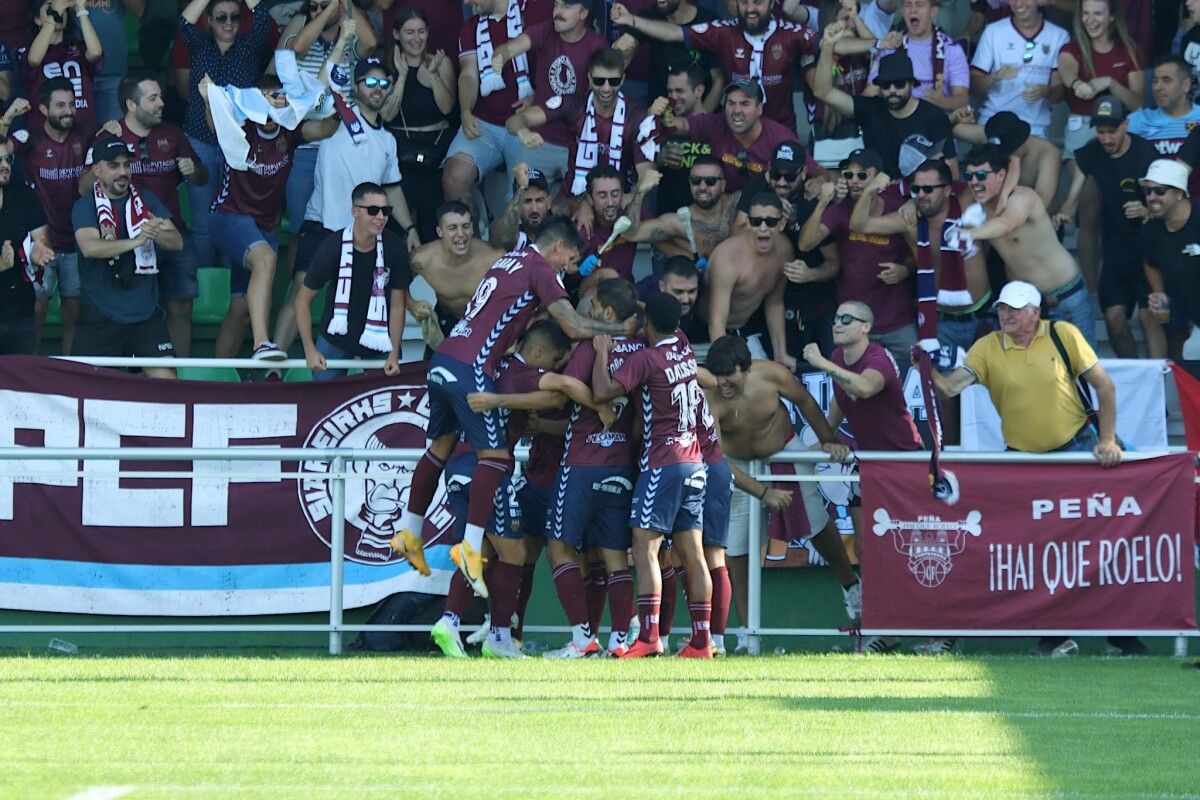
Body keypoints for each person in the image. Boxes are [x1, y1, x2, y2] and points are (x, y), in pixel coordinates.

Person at [394, 216, 636, 600]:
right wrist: (624, 331)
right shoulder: (541, 269)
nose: (569, 269)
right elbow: (573, 327)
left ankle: (410, 532)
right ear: (557, 247)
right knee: (495, 455)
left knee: (438, 449)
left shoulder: (509, 260)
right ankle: (471, 546)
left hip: (443, 359)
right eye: (570, 260)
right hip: (471, 366)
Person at [931, 280, 1143, 658]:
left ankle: (1122, 635)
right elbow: (950, 389)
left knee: (1097, 547)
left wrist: (1107, 440)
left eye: (1014, 308)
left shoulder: (1064, 333)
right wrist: (925, 366)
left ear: (1035, 312)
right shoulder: (987, 346)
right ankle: (1054, 635)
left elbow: (1105, 388)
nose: (1006, 315)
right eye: (1001, 309)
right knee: (1036, 551)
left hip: (1077, 454)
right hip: (1023, 462)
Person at [476, 278, 643, 658]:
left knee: (560, 549)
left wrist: (508, 403)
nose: (588, 315)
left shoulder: (590, 347)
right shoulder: (641, 349)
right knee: (613, 554)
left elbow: (565, 386)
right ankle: (619, 639)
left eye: (593, 307)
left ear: (608, 313)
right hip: (619, 461)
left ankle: (583, 639)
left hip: (581, 463)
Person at [702, 334, 859, 647]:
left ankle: (851, 587)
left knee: (816, 523)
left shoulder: (772, 374)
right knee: (738, 548)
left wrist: (828, 439)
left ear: (747, 370)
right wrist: (762, 492)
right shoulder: (710, 396)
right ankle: (748, 630)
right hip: (738, 464)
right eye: (718, 376)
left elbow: (805, 402)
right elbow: (716, 460)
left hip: (784, 450)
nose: (724, 384)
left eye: (730, 375)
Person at [589, 291, 713, 658]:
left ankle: (648, 637)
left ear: (647, 325)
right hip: (695, 461)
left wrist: (600, 353)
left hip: (663, 461)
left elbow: (601, 392)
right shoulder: (685, 348)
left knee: (646, 548)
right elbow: (660, 319)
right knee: (693, 553)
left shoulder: (647, 359)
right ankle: (702, 642)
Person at [273, 56, 420, 360]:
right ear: (356, 86)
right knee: (300, 292)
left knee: (366, 303)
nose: (377, 89)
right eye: (370, 82)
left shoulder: (387, 140)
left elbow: (392, 189)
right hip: (323, 225)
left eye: (383, 83)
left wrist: (410, 228)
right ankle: (271, 368)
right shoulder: (337, 118)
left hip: (363, 236)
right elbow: (320, 88)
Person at [803, 300, 922, 653]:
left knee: (907, 547)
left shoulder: (877, 359)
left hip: (901, 462)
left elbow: (864, 388)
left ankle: (933, 625)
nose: (837, 323)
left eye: (847, 319)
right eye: (836, 318)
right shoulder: (840, 359)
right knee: (868, 546)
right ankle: (883, 624)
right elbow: (841, 401)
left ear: (866, 328)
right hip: (867, 463)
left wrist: (821, 363)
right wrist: (826, 440)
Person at [200, 73, 338, 362]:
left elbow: (325, 129)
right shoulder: (240, 125)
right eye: (267, 97)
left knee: (240, 310)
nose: (274, 103)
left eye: (279, 97)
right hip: (229, 215)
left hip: (265, 224)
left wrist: (331, 103)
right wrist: (208, 98)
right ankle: (262, 344)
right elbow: (215, 123)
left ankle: (218, 377)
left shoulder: (290, 131)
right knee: (266, 260)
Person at [102, 73, 208, 358]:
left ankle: (181, 372)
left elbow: (202, 178)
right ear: (131, 105)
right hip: (130, 240)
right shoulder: (111, 136)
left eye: (160, 96)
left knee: (181, 306)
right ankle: (135, 379)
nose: (162, 103)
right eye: (153, 98)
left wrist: (192, 169)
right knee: (134, 310)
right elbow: (87, 186)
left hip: (172, 232)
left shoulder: (172, 133)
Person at [957, 145, 1096, 345]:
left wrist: (970, 233)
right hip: (1023, 306)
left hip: (1065, 299)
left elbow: (1006, 223)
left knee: (1082, 372)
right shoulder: (974, 204)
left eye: (981, 175)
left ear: (1001, 175)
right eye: (968, 176)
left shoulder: (1023, 197)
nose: (974, 182)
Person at [609, 0, 823, 128]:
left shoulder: (789, 33)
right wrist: (631, 22)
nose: (750, 8)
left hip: (775, 131)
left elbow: (831, 45)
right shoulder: (722, 30)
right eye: (745, 2)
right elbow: (671, 34)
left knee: (781, 186)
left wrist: (701, 122)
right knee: (722, 173)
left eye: (757, 2)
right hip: (721, 131)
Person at [1054, 97, 1158, 358]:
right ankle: (1134, 379)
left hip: (1149, 252)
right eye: (1101, 132)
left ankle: (1159, 385)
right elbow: (1076, 187)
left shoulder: (1146, 153)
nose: (1106, 138)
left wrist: (1147, 210)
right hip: (1115, 252)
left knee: (1150, 319)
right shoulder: (1092, 153)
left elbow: (1166, 202)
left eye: (1112, 131)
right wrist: (1066, 209)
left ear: (1126, 125)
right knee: (1113, 320)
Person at [71, 138, 183, 378]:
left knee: (169, 387)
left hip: (145, 314)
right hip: (100, 314)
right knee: (87, 394)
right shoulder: (85, 205)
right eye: (114, 166)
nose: (122, 172)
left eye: (126, 165)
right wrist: (137, 241)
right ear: (97, 170)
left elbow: (177, 241)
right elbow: (90, 247)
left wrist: (157, 233)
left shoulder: (145, 199)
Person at [179, 0, 273, 272]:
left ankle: (235, 288)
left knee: (237, 218)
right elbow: (184, 23)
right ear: (209, 20)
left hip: (239, 145)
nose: (229, 22)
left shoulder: (249, 47)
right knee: (202, 220)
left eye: (234, 16)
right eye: (221, 17)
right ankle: (207, 286)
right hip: (200, 141)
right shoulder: (199, 46)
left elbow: (263, 17)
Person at [800, 147, 916, 367]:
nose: (855, 181)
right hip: (853, 325)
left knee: (915, 383)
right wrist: (823, 202)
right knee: (854, 390)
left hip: (897, 321)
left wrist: (905, 270)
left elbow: (916, 255)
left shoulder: (897, 206)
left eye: (862, 175)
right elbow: (806, 244)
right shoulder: (840, 210)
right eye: (849, 175)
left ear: (878, 178)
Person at [2, 81, 88, 355]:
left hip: (73, 242)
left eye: (72, 104)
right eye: (61, 105)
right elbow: (1, 147)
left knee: (74, 310)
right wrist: (6, 119)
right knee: (36, 309)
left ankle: (66, 371)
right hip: (41, 246)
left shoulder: (85, 135)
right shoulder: (31, 138)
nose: (69, 111)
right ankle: (36, 369)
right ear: (43, 108)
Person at [294, 182, 411, 381]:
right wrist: (310, 350)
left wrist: (393, 353)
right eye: (373, 210)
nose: (381, 217)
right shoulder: (332, 247)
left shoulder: (395, 247)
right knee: (325, 403)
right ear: (355, 212)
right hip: (336, 339)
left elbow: (398, 305)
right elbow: (302, 300)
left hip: (380, 341)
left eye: (386, 210)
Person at [490, 0, 606, 193]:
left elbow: (606, 91)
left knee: (581, 209)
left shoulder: (597, 44)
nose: (557, 12)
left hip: (579, 144)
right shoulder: (546, 30)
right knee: (520, 206)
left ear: (584, 13)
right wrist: (500, 56)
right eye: (556, 5)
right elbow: (511, 47)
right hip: (539, 139)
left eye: (566, 7)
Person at [507, 47, 647, 204]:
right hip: (573, 197)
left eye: (613, 81)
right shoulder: (574, 104)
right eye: (599, 81)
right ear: (589, 78)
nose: (606, 88)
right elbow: (514, 121)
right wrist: (524, 132)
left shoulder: (637, 116)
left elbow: (646, 175)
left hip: (617, 201)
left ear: (622, 79)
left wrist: (627, 200)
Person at [813, 27, 958, 178]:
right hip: (879, 195)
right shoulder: (870, 109)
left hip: (920, 195)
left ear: (912, 84)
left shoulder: (934, 117)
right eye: (886, 84)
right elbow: (823, 92)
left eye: (899, 83)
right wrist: (827, 47)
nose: (892, 90)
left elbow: (952, 174)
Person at [440, 0, 537, 214]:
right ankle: (472, 244)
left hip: (528, 122)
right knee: (454, 176)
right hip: (486, 124)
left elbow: (554, 62)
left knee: (526, 197)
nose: (466, 2)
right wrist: (465, 110)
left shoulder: (532, 13)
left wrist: (536, 98)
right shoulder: (470, 27)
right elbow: (468, 74)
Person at [646, 77, 805, 192]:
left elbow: (813, 171)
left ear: (759, 109)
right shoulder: (716, 123)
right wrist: (661, 112)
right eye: (731, 103)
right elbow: (681, 125)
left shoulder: (780, 137)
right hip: (721, 208)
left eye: (745, 104)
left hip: (762, 215)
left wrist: (818, 181)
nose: (736, 111)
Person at [380, 6, 456, 244]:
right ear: (396, 35)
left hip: (436, 147)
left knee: (432, 213)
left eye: (421, 31)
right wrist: (402, 77)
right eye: (409, 32)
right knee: (400, 214)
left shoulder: (441, 63)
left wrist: (433, 74)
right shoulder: (387, 66)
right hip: (403, 149)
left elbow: (447, 108)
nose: (416, 39)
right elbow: (387, 113)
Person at [706, 192, 793, 367]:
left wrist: (780, 353)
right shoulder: (728, 257)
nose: (763, 228)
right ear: (748, 222)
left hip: (742, 331)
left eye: (770, 222)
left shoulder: (785, 251)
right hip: (703, 332)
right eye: (756, 221)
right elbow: (716, 321)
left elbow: (774, 304)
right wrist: (726, 362)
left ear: (782, 223)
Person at [969, 0, 1068, 137]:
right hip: (993, 121)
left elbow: (1059, 94)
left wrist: (1045, 91)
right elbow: (974, 84)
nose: (1018, 4)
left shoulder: (1059, 35)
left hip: (1034, 128)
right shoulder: (993, 31)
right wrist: (995, 76)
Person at [1057, 0, 1143, 158]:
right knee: (1085, 178)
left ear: (1111, 17)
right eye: (1085, 13)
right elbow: (1067, 70)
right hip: (1084, 124)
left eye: (1098, 13)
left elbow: (1137, 104)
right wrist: (1077, 84)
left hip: (1120, 126)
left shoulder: (1128, 50)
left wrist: (1111, 83)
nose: (1090, 20)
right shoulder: (1072, 48)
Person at [408, 200, 502, 341]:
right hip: (448, 320)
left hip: (486, 323)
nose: (460, 234)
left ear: (471, 228)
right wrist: (412, 305)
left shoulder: (494, 258)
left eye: (465, 226)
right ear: (439, 232)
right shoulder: (422, 259)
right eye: (452, 228)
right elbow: (396, 281)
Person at [611, 0, 725, 116]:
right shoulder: (650, 15)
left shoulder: (710, 22)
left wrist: (700, 123)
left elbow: (719, 80)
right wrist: (619, 51)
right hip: (660, 118)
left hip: (701, 120)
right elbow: (625, 51)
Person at [624, 154, 738, 263]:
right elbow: (631, 234)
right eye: (696, 181)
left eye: (710, 181)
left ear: (723, 185)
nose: (702, 187)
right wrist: (640, 192)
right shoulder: (678, 222)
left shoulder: (738, 205)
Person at [1140, 159, 1200, 364]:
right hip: (1184, 301)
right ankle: (1179, 372)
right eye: (1147, 192)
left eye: (1159, 191)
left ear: (1180, 193)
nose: (1151, 197)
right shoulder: (1150, 231)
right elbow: (1151, 263)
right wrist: (1158, 291)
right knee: (1161, 312)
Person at [0, 135, 54, 354]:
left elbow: (41, 241)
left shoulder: (25, 195)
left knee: (21, 382)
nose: (5, 166)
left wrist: (35, 255)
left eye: (8, 160)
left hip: (19, 309)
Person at [868, 0, 969, 111]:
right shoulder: (890, 47)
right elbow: (871, 92)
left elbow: (962, 98)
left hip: (936, 119)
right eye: (908, 4)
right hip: (896, 119)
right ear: (902, 11)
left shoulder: (952, 49)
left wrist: (941, 102)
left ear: (933, 11)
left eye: (919, 4)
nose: (913, 10)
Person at [20, 0, 103, 134]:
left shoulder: (79, 48)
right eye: (50, 8)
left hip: (82, 129)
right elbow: (34, 60)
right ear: (37, 19)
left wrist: (80, 8)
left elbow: (95, 53)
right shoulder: (28, 50)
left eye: (62, 10)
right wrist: (53, 17)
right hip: (45, 135)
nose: (58, 11)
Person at [952, 109, 1061, 210]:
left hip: (1031, 220)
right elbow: (945, 125)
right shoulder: (991, 135)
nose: (1003, 154)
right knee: (974, 182)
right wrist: (955, 117)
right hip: (992, 213)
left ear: (1020, 141)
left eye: (1007, 150)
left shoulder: (1047, 153)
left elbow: (1041, 204)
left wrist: (1005, 198)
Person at [650, 63, 717, 214]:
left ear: (699, 91)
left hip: (706, 220)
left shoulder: (717, 126)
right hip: (666, 217)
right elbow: (642, 170)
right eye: (670, 91)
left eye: (679, 91)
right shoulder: (660, 125)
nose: (673, 98)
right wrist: (660, 158)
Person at [1126, 55, 1200, 158]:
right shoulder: (1137, 121)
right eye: (1155, 81)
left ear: (1186, 85)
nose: (1157, 87)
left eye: (1166, 80)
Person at [488, 163, 551, 250]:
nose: (534, 209)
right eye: (527, 201)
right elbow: (500, 239)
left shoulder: (558, 225)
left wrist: (578, 202)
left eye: (539, 200)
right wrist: (522, 188)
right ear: (516, 203)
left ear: (549, 202)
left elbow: (576, 202)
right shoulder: (502, 227)